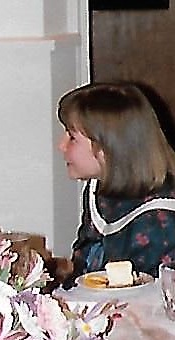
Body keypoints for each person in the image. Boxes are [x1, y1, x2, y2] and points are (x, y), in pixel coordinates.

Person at [57, 82, 175, 287]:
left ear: (107, 147)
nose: (61, 145)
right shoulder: (99, 191)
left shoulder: (159, 220)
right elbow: (83, 270)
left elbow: (144, 303)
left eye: (72, 137)